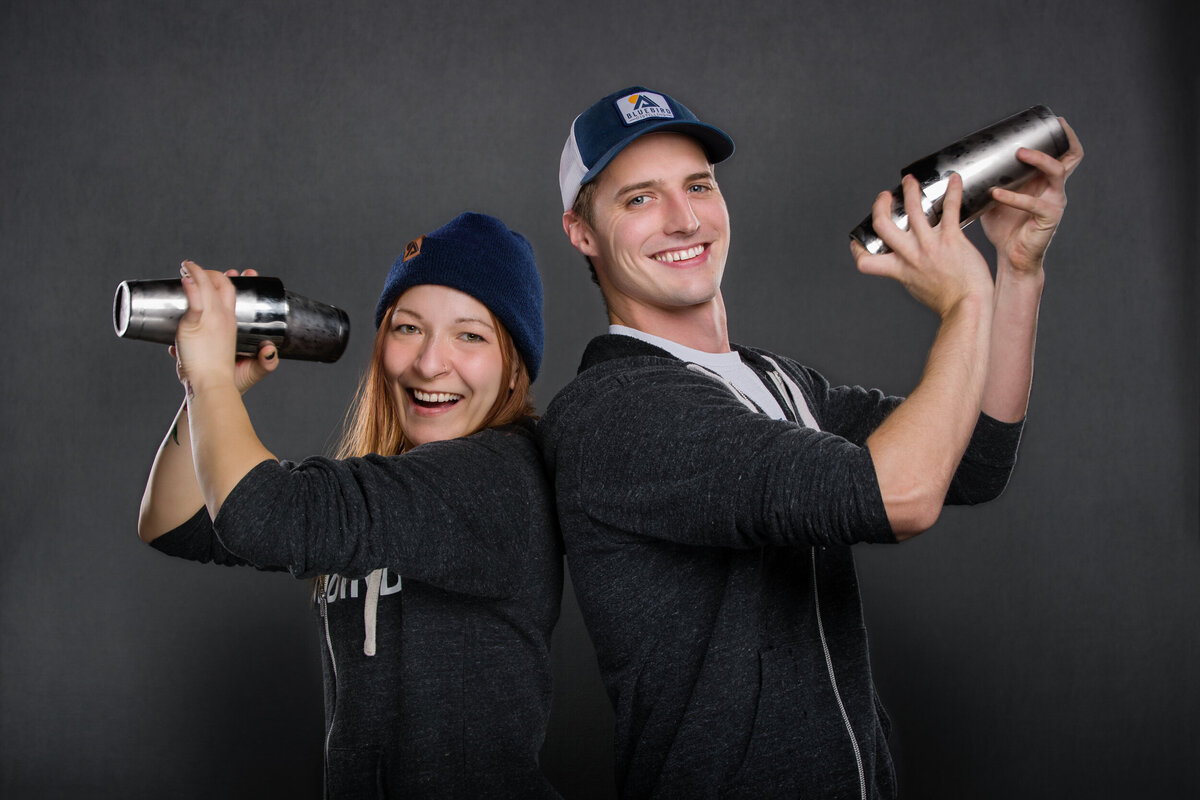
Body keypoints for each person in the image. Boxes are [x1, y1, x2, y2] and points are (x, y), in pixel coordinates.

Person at [540, 87, 1083, 798]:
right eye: (639, 199)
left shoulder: (773, 381)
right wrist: (965, 299)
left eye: (698, 186)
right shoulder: (614, 410)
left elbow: (973, 459)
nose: (684, 219)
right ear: (581, 232)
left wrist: (1016, 272)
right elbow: (899, 496)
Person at [137, 212, 563, 799]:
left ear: (515, 366)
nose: (429, 363)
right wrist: (206, 392)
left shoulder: (498, 478)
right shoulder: (385, 487)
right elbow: (174, 525)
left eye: (471, 335)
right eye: (408, 328)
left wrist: (208, 377)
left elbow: (260, 515)